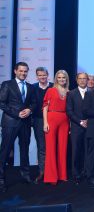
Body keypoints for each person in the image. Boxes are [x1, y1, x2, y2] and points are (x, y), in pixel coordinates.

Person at [0, 62, 37, 192]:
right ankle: (1, 179)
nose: (23, 73)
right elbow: (1, 103)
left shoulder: (30, 87)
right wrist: (16, 113)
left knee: (24, 149)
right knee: (5, 150)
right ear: (15, 71)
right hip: (10, 122)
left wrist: (30, 110)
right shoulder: (7, 84)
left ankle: (25, 175)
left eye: (25, 71)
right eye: (21, 71)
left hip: (25, 123)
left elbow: (34, 103)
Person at [42, 70, 70, 185]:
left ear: (66, 79)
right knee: (51, 148)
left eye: (64, 77)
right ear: (56, 79)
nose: (62, 79)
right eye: (59, 77)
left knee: (63, 148)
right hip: (51, 118)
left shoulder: (69, 92)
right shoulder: (51, 90)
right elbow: (44, 107)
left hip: (65, 120)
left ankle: (62, 175)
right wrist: (45, 123)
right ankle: (51, 177)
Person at [66, 72, 88, 185]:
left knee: (87, 150)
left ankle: (86, 172)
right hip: (76, 126)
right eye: (80, 78)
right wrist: (80, 122)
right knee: (76, 151)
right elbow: (69, 111)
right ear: (76, 80)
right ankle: (76, 174)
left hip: (89, 126)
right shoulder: (71, 93)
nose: (83, 80)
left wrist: (88, 121)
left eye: (85, 78)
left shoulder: (92, 92)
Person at [32, 67, 53, 184]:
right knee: (41, 146)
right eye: (40, 75)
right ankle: (42, 171)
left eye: (44, 75)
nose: (42, 77)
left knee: (52, 146)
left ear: (47, 75)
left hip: (53, 120)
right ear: (37, 76)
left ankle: (52, 171)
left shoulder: (54, 87)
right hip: (38, 121)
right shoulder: (33, 87)